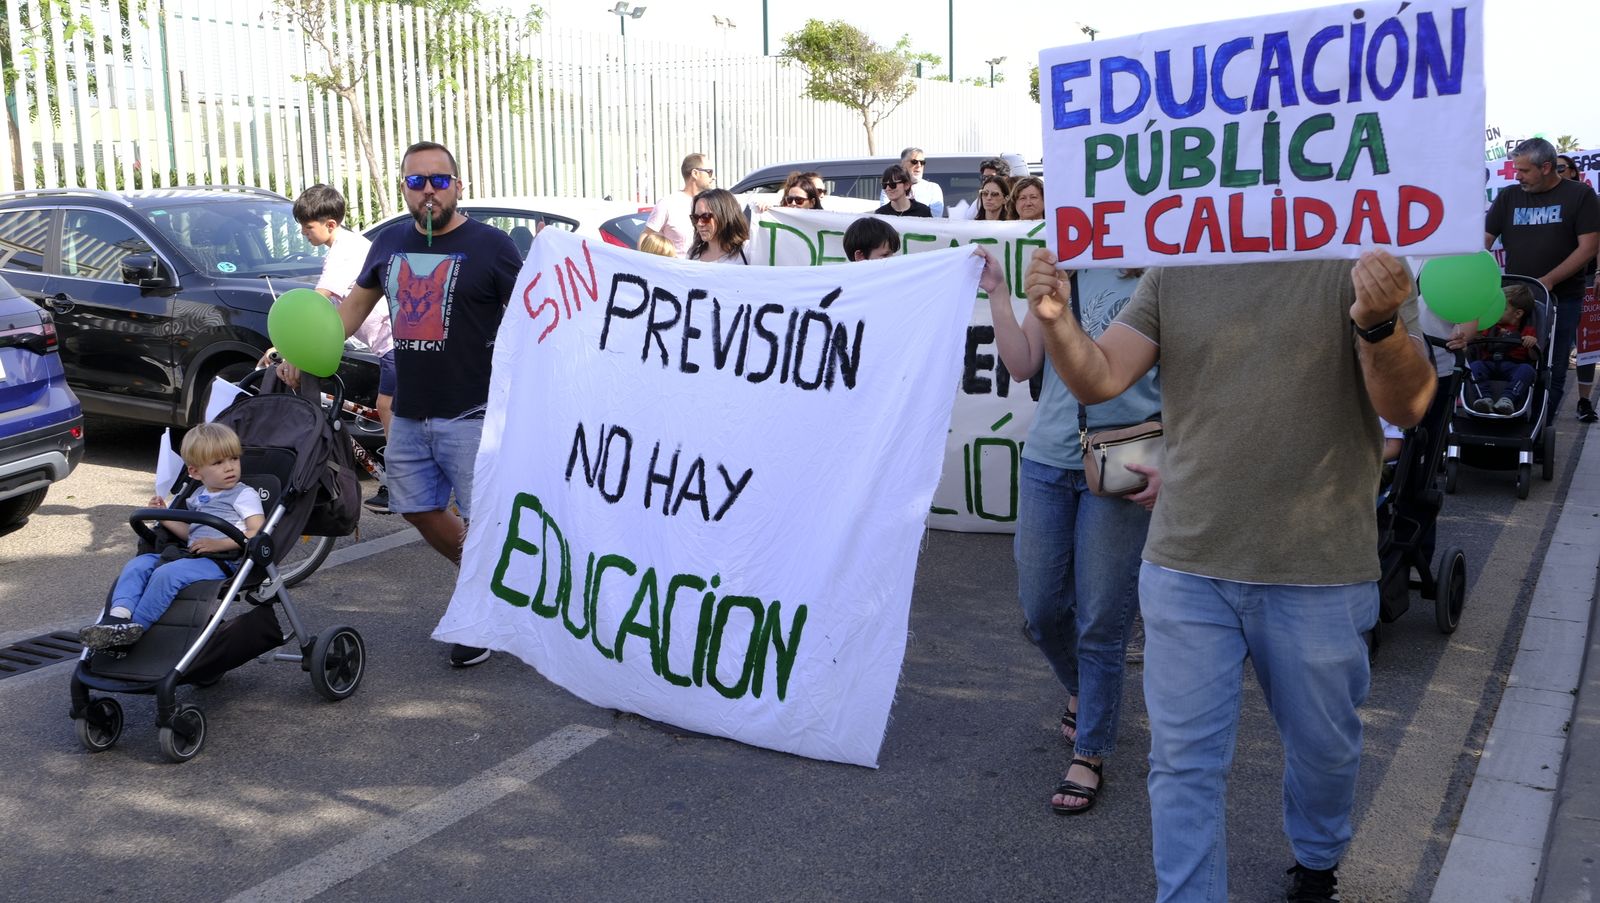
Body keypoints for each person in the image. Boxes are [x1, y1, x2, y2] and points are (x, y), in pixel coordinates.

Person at [1024, 247, 1435, 902]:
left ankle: (1318, 860)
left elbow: (1408, 406)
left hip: (1319, 566)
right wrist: (1056, 319)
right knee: (1182, 768)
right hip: (1187, 561)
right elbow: (1102, 375)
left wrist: (1379, 323)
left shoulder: (1364, 260)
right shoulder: (1178, 262)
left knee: (1323, 751)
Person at [278, 140, 523, 669]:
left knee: (484, 519)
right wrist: (296, 352)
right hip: (410, 409)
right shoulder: (387, 244)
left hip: (474, 410)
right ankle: (488, 584)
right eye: (417, 181)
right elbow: (344, 318)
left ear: (459, 185)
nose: (428, 190)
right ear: (404, 189)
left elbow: (534, 317)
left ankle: (480, 606)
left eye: (439, 180)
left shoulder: (493, 246)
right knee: (415, 507)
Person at [987, 253, 1160, 816]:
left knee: (1102, 621)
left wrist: (1176, 459)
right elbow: (1020, 364)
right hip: (1047, 462)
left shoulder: (1164, 273)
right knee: (1039, 609)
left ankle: (1091, 750)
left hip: (1125, 461)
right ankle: (1088, 695)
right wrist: (999, 292)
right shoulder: (1067, 268)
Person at [79, 423, 264, 652]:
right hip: (192, 555)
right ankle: (117, 618)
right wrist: (165, 516)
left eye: (234, 459)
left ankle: (135, 629)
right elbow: (192, 534)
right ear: (195, 472)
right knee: (139, 564)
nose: (230, 468)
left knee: (167, 574)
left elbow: (257, 533)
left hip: (222, 560)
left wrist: (219, 543)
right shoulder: (198, 495)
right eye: (218, 463)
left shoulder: (244, 494)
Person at [289, 183, 396, 513]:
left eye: (308, 227)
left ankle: (398, 483)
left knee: (387, 404)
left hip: (395, 340)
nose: (304, 234)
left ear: (330, 224)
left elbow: (318, 305)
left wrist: (284, 347)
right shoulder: (347, 246)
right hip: (386, 342)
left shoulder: (345, 251)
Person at [1482, 137, 1599, 422]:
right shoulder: (1509, 196)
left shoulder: (1580, 196)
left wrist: (1548, 280)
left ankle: (1538, 429)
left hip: (1562, 298)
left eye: (1523, 171)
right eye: (1515, 170)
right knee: (1502, 359)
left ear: (1546, 167)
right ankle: (1504, 422)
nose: (1517, 176)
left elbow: (1589, 247)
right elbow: (1483, 241)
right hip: (1512, 300)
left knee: (1553, 367)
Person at [1558, 153, 1598, 421]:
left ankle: (1583, 401)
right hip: (1546, 285)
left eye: (1562, 167)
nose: (1558, 172)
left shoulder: (1586, 200)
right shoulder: (1536, 200)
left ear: (1573, 172)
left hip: (1583, 281)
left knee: (1586, 343)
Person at [1465, 284, 1539, 415]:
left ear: (1518, 314)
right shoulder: (1490, 326)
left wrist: (1531, 343)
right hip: (1488, 363)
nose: (1496, 311)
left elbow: (1534, 357)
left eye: (1502, 309)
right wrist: (1477, 336)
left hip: (1513, 366)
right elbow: (1477, 343)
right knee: (1474, 366)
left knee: (1528, 370)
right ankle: (1484, 398)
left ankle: (1507, 399)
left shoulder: (1527, 331)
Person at [642, 153, 715, 256]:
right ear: (695, 173)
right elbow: (645, 238)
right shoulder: (668, 204)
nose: (713, 177)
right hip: (673, 269)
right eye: (709, 172)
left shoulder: (713, 203)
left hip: (703, 269)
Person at [686, 188, 751, 264]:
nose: (699, 224)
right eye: (695, 218)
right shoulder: (693, 255)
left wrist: (765, 212)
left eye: (705, 217)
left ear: (724, 216)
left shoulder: (747, 251)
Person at [879, 147, 945, 216]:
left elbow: (934, 220)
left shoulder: (933, 188)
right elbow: (885, 216)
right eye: (914, 162)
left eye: (922, 162)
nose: (919, 165)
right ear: (902, 164)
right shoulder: (889, 186)